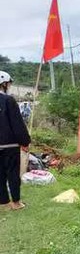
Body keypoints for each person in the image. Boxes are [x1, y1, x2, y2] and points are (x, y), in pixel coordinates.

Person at [0, 71, 31, 210]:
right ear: (4, 84)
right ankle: (16, 202)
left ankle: (4, 203)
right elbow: (17, 124)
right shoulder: (8, 100)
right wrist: (25, 141)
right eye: (9, 84)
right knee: (12, 174)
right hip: (9, 145)